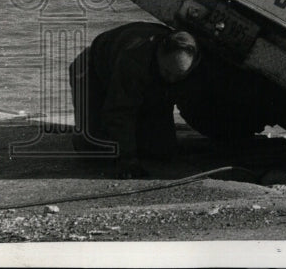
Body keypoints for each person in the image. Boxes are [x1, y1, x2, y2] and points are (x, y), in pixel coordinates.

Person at [69, 21, 201, 178]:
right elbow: (119, 112)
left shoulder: (193, 65)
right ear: (159, 53)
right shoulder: (134, 60)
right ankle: (84, 134)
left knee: (162, 152)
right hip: (92, 70)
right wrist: (128, 160)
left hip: (146, 80)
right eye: (167, 72)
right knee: (96, 150)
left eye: (178, 75)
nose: (172, 79)